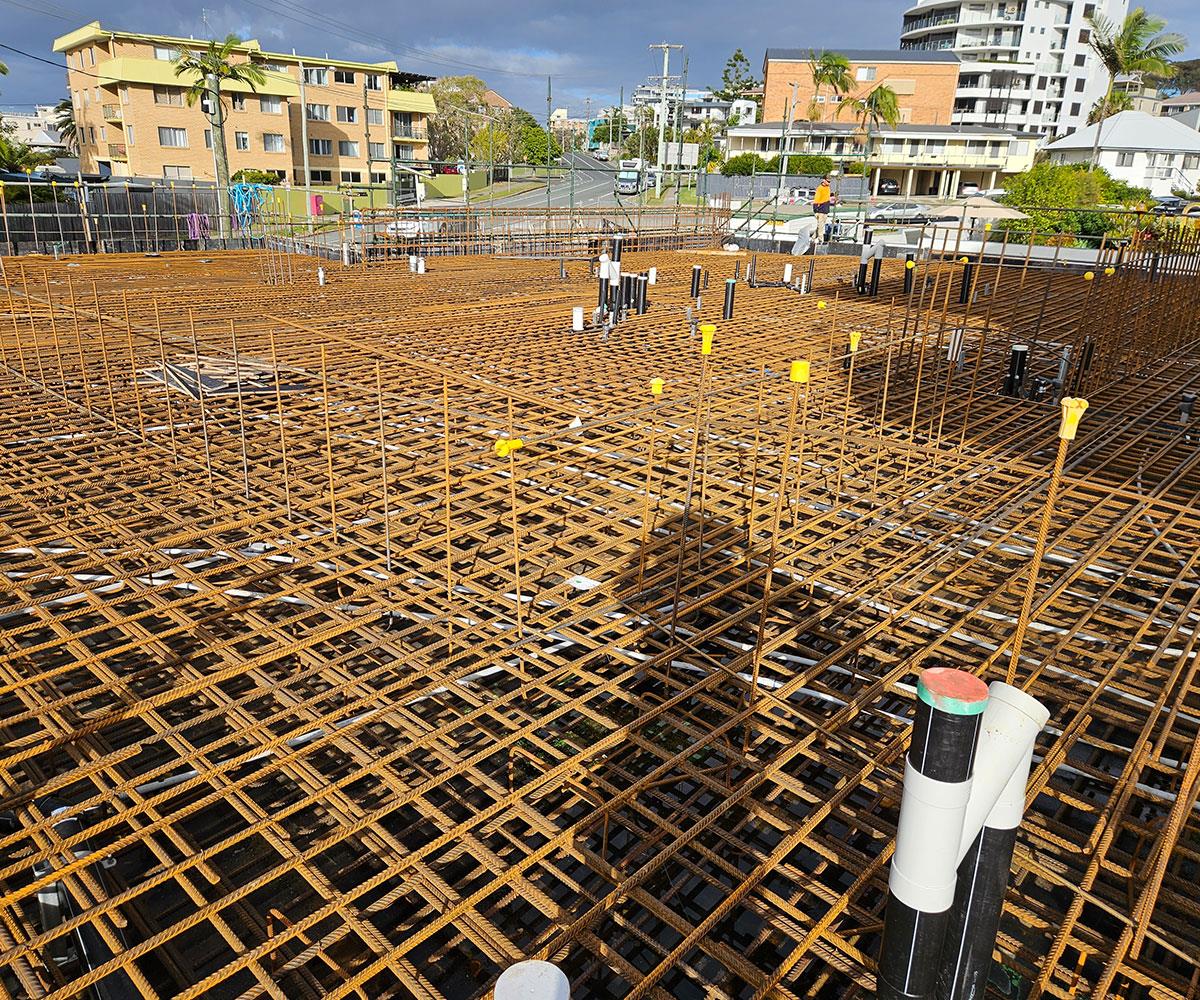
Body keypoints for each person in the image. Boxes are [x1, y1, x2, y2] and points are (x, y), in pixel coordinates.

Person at [813, 176, 832, 242]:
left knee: (821, 225)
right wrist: (815, 210)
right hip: (820, 209)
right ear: (824, 180)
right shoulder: (820, 188)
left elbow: (827, 198)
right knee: (820, 225)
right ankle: (821, 239)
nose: (829, 183)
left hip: (825, 209)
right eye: (828, 181)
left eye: (829, 182)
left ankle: (813, 237)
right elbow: (816, 199)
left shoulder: (828, 188)